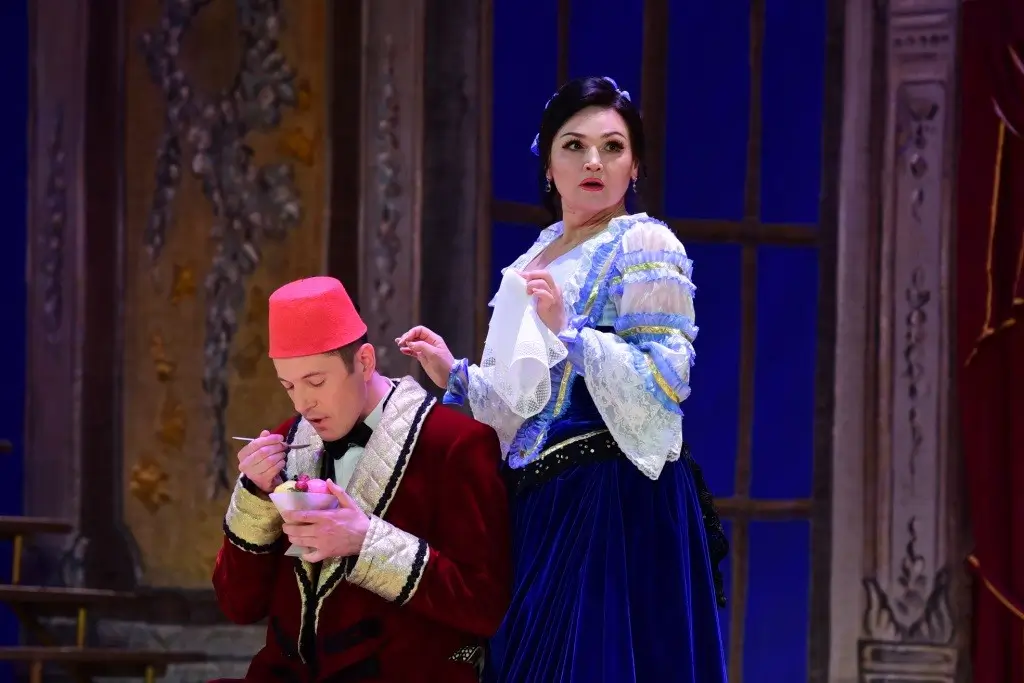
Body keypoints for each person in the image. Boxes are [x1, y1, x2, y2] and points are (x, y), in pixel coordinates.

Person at [397, 76, 729, 683]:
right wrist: (457, 376)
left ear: (635, 165)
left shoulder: (644, 242)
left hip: (612, 497)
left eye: (613, 147)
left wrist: (572, 332)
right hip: (535, 501)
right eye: (574, 146)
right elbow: (522, 406)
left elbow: (664, 379)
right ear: (548, 166)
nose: (593, 161)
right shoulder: (535, 257)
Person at [212, 276, 511, 683]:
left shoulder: (455, 444)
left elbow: (485, 606)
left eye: (316, 381)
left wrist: (366, 541)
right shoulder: (285, 444)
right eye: (289, 386)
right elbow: (238, 606)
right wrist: (254, 496)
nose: (303, 403)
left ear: (365, 362)